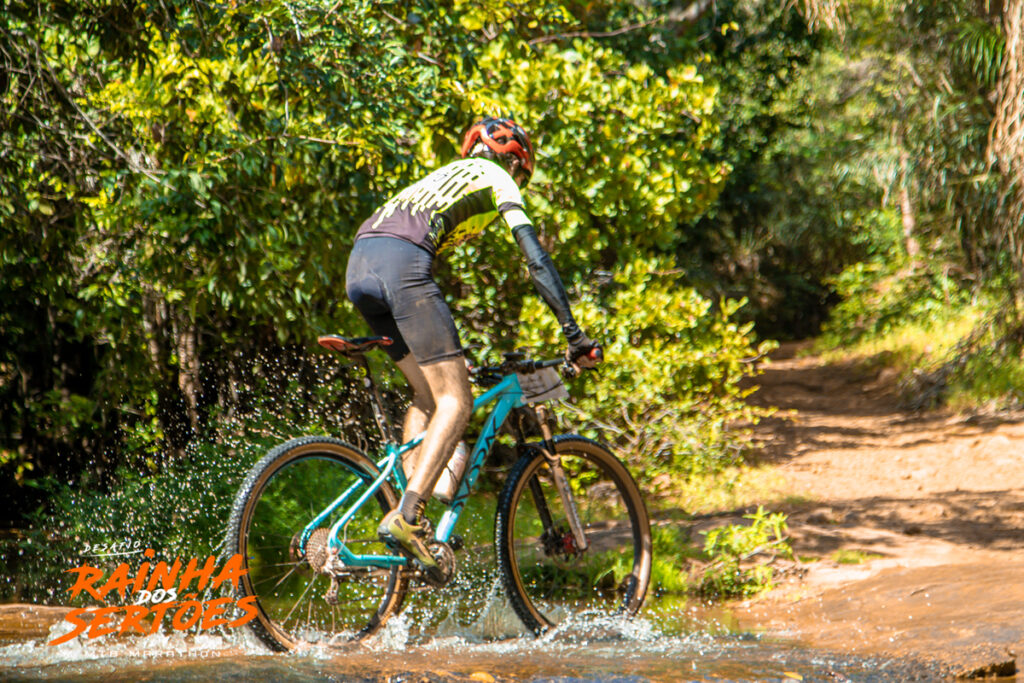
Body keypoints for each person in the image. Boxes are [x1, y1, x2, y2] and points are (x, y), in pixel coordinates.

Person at [345, 117, 601, 578]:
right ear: (516, 163)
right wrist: (573, 334)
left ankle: (411, 513)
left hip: (360, 263)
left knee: (429, 395)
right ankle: (408, 516)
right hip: (402, 264)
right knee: (457, 402)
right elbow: (536, 260)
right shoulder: (498, 178)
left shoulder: (443, 176)